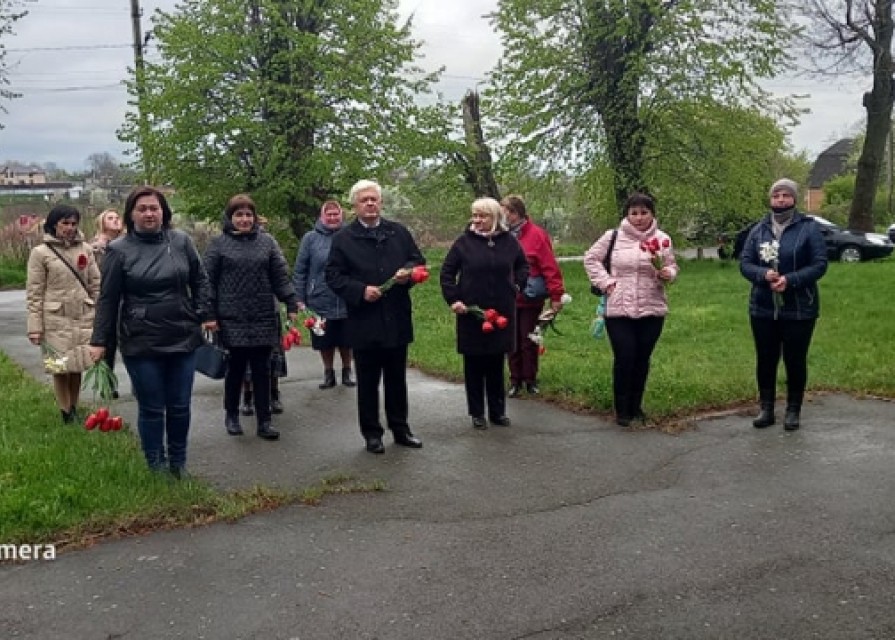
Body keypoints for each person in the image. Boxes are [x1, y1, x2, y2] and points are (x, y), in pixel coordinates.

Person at [89, 186, 212, 477]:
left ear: (163, 212)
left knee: (180, 405)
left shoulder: (181, 241)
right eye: (142, 208)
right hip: (140, 339)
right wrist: (99, 340)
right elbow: (107, 299)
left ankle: (178, 464)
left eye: (154, 208)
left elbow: (201, 280)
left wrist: (206, 314)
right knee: (152, 407)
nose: (148, 213)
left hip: (182, 334)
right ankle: (155, 465)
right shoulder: (118, 250)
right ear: (131, 214)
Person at [325, 179, 425, 454]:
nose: (370, 203)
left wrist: (408, 273)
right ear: (355, 206)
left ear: (381, 203)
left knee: (396, 379)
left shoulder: (398, 232)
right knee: (368, 381)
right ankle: (371, 433)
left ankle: (401, 428)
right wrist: (359, 291)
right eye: (364, 200)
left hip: (396, 317)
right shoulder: (343, 239)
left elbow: (417, 261)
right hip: (364, 320)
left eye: (374, 199)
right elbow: (333, 276)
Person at [204, 194, 298, 441]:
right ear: (230, 217)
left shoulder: (267, 243)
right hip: (231, 318)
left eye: (248, 215)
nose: (244, 219)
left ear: (254, 218)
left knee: (262, 371)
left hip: (263, 316)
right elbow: (207, 283)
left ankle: (264, 421)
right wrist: (209, 314)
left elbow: (279, 276)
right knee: (234, 370)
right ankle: (232, 415)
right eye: (239, 215)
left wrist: (291, 302)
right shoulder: (218, 245)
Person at [739, 178, 827, 431]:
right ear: (770, 199)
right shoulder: (759, 230)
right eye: (776, 195)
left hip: (799, 307)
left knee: (794, 359)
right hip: (763, 307)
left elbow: (820, 264)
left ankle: (793, 409)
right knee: (765, 358)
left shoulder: (808, 229)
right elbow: (745, 263)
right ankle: (766, 408)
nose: (780, 200)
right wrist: (762, 275)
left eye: (786, 195)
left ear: (794, 199)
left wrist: (791, 280)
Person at [584, 192, 678, 427]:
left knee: (642, 358)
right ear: (627, 214)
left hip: (652, 306)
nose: (638, 218)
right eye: (633, 213)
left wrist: (668, 274)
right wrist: (607, 283)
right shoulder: (612, 237)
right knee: (625, 356)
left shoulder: (662, 239)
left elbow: (671, 265)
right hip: (619, 308)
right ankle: (622, 409)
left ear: (652, 214)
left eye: (644, 212)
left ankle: (636, 406)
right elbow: (591, 259)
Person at [440, 197, 529, 429]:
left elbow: (523, 265)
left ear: (495, 218)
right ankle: (477, 412)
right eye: (475, 215)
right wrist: (454, 299)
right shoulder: (463, 243)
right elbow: (447, 273)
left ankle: (497, 412)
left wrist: (517, 285)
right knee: (474, 364)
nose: (477, 220)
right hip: (472, 313)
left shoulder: (508, 242)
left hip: (501, 311)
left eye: (482, 216)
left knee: (496, 362)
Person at [26, 204, 101, 424]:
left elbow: (95, 283)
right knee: (60, 368)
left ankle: (75, 407)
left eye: (73, 223)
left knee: (77, 365)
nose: (69, 228)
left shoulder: (85, 249)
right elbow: (34, 292)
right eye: (65, 223)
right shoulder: (41, 253)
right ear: (54, 224)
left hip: (82, 316)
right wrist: (35, 326)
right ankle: (65, 411)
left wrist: (99, 314)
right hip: (55, 319)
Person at [500, 194, 565, 397]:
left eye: (507, 211)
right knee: (511, 340)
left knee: (529, 339)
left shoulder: (536, 235)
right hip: (506, 296)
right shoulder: (500, 235)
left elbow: (549, 266)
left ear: (516, 213)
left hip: (529, 296)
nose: (505, 216)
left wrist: (556, 295)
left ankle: (530, 378)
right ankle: (514, 379)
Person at [293, 199, 356, 389]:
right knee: (324, 339)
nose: (332, 217)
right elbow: (300, 270)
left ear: (341, 215)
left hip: (346, 297)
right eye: (328, 214)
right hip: (319, 298)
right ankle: (328, 373)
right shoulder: (310, 239)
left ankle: (347, 371)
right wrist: (299, 297)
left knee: (347, 338)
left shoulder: (350, 236)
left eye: (335, 214)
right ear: (321, 217)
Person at [91, 208, 124, 397]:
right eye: (110, 218)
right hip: (106, 297)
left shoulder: (129, 243)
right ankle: (107, 384)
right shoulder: (95, 247)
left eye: (117, 217)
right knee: (107, 344)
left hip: (126, 300)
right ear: (102, 223)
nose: (115, 220)